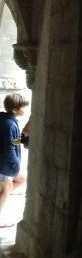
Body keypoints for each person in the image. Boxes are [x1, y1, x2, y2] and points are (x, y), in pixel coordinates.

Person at [0, 92, 29, 228]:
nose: (25, 109)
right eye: (23, 107)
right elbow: (9, 148)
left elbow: (12, 142)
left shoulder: (8, 121)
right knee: (6, 190)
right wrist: (15, 165)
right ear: (14, 110)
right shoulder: (9, 125)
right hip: (4, 164)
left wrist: (23, 138)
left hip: (6, 163)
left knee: (21, 179)